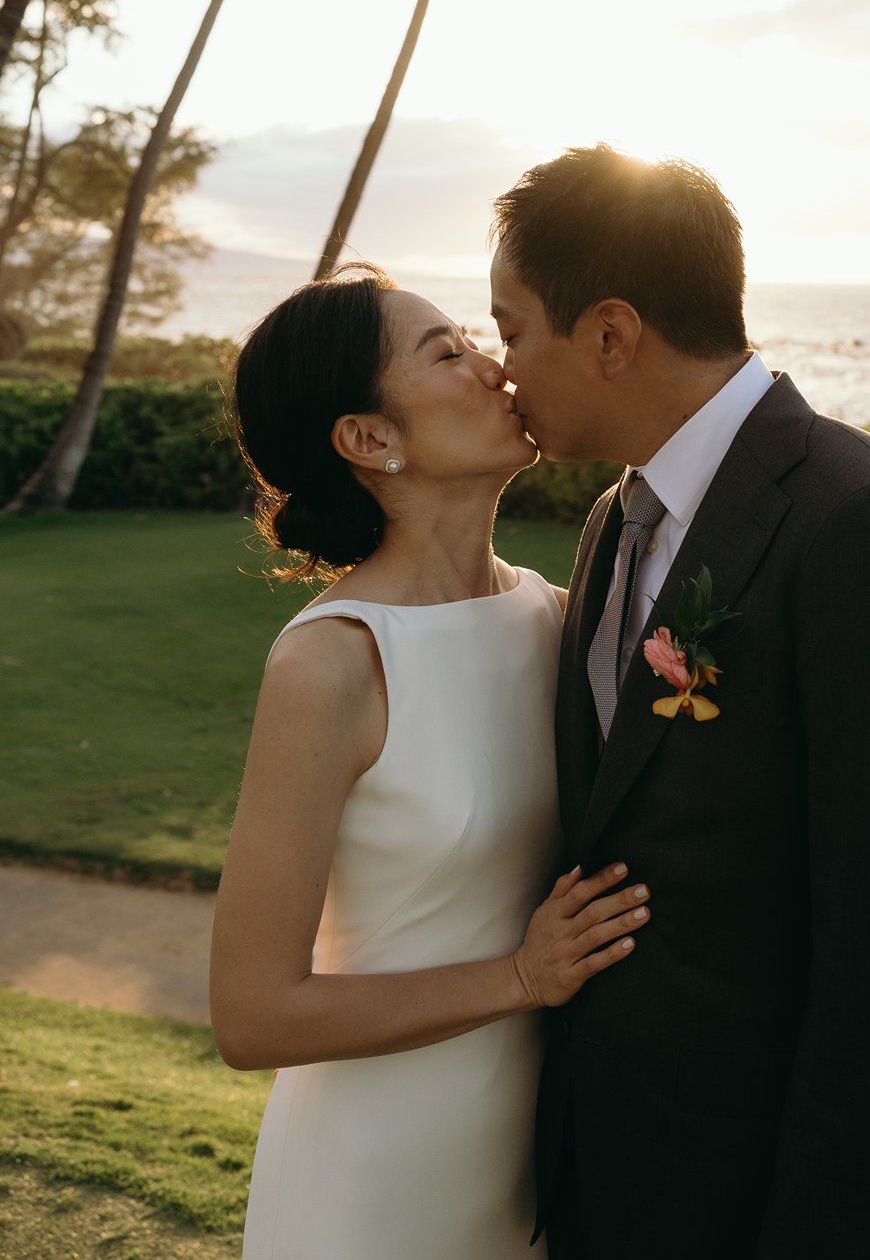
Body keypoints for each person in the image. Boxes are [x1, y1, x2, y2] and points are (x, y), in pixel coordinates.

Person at [489, 147, 870, 1260]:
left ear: (611, 335)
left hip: (772, 1191)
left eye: (512, 327)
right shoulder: (613, 521)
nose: (503, 366)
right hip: (614, 1169)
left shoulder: (864, 523)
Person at [215, 263, 651, 1260]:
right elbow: (251, 1013)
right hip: (374, 1184)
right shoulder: (333, 661)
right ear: (369, 439)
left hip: (530, 1170)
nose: (497, 370)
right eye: (448, 353)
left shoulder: (552, 616)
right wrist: (518, 976)